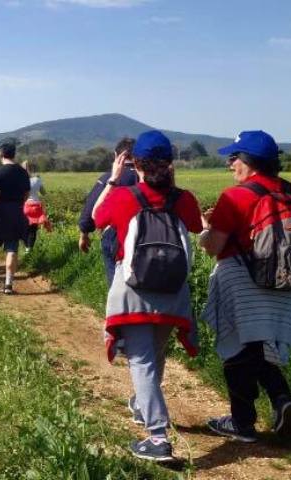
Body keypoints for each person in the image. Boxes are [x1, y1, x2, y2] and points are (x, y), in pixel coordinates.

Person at [93, 130, 203, 462]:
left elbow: (97, 219)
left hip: (134, 291)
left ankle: (157, 438)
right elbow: (196, 227)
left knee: (141, 362)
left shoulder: (124, 196)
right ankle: (143, 406)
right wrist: (174, 185)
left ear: (134, 163)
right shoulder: (184, 199)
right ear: (170, 164)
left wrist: (113, 180)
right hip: (172, 291)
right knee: (154, 358)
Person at [199, 130, 291, 443]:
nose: (230, 164)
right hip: (286, 281)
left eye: (234, 157)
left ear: (248, 161)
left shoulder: (234, 196)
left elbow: (214, 246)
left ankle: (242, 423)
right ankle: (281, 400)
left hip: (243, 281)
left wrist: (206, 229)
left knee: (238, 349)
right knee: (260, 346)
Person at [79, 137, 137, 285]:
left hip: (114, 234)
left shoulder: (109, 178)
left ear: (116, 155)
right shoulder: (148, 178)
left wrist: (84, 232)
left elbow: (92, 207)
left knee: (115, 281)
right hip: (146, 233)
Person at [0, 143, 31, 295]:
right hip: (17, 211)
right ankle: (9, 282)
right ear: (14, 154)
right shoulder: (23, 172)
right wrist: (20, 205)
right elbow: (27, 193)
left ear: (0, 154)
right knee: (12, 247)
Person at [21, 161, 51, 252]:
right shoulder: (37, 180)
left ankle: (26, 247)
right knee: (33, 230)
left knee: (23, 228)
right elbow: (43, 193)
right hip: (36, 206)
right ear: (32, 168)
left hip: (25, 206)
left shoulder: (20, 180)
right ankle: (29, 249)